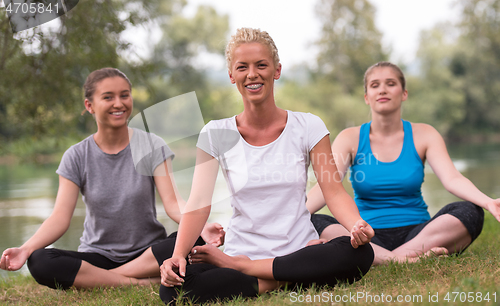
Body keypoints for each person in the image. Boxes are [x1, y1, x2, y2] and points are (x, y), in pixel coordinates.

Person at [158, 28, 375, 305]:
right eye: (242, 67)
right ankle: (289, 275)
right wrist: (178, 255)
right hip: (244, 250)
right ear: (231, 75)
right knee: (173, 290)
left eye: (261, 65)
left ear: (277, 70)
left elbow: (333, 191)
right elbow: (199, 202)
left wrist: (356, 225)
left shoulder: (308, 126)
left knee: (360, 252)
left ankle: (247, 271)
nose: (252, 74)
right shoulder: (215, 132)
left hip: (296, 249)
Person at [0, 68, 224, 289]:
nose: (119, 103)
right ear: (89, 105)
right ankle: (140, 282)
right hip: (97, 255)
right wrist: (26, 249)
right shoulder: (76, 156)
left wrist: (199, 227)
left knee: (194, 240)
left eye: (124, 95)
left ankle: (103, 279)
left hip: (149, 252)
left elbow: (174, 204)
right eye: (108, 97)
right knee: (39, 261)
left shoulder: (151, 145)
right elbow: (59, 218)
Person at [307, 61, 500, 265]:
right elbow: (327, 187)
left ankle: (378, 259)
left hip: (419, 232)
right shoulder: (350, 138)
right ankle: (404, 260)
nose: (382, 89)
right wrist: (295, 214)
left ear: (404, 93)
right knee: (313, 221)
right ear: (366, 97)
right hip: (366, 234)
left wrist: (488, 202)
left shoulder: (425, 134)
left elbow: (452, 178)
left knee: (470, 211)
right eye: (374, 85)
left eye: (390, 83)